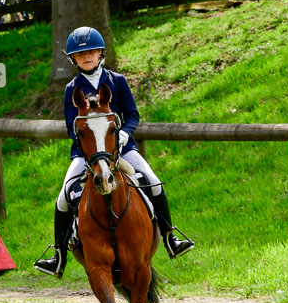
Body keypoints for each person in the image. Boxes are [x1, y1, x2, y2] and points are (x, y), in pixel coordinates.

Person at [34, 26, 194, 278]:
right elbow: (69, 125)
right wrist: (89, 144)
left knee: (152, 181)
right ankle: (59, 255)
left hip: (122, 148)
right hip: (86, 154)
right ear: (73, 59)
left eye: (91, 52)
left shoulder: (117, 81)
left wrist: (124, 133)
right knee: (64, 196)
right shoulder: (71, 89)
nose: (87, 57)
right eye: (80, 54)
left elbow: (132, 114)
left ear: (100, 54)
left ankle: (170, 237)